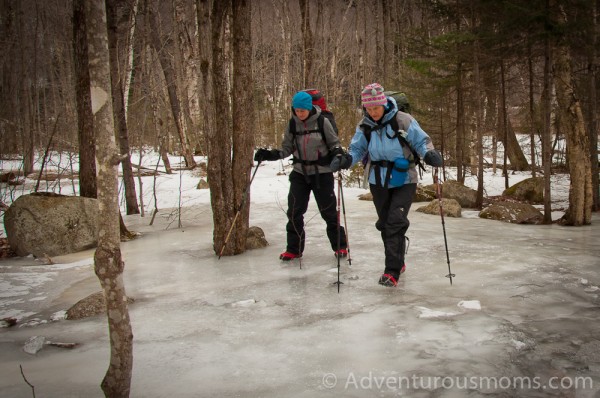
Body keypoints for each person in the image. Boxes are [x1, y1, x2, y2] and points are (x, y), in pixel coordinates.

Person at [330, 83, 442, 287]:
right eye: (369, 109)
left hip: (404, 179)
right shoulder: (365, 125)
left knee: (394, 222)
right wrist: (346, 160)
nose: (372, 112)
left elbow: (420, 141)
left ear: (383, 104)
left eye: (376, 108)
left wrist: (429, 154)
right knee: (384, 224)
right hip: (378, 180)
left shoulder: (403, 120)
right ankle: (398, 259)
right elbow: (357, 149)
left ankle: (392, 271)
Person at [254, 91, 348, 261]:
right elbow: (286, 148)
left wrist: (338, 156)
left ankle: (340, 246)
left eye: (302, 111)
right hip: (300, 173)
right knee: (294, 212)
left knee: (329, 213)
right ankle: (294, 249)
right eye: (296, 111)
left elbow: (334, 144)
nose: (299, 114)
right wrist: (269, 154)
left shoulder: (322, 121)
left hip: (322, 173)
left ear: (309, 108)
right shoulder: (292, 124)